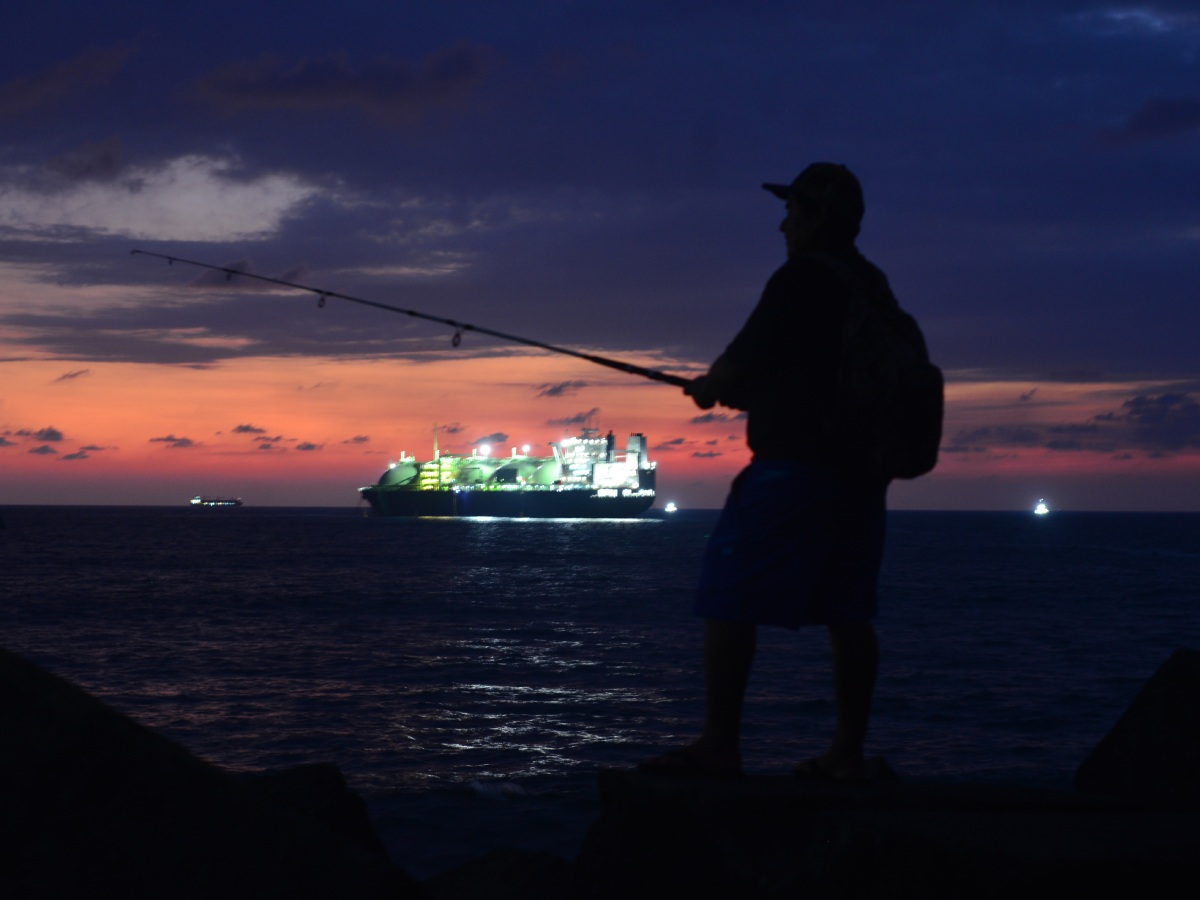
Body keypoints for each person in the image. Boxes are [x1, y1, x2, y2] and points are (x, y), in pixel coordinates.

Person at [641, 162, 892, 783]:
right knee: (849, 614)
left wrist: (709, 388)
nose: (782, 224)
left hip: (795, 471)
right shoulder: (872, 284)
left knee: (727, 594)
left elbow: (741, 363)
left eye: (792, 211)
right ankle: (847, 756)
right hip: (863, 474)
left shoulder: (800, 279)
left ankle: (719, 747)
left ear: (815, 218)